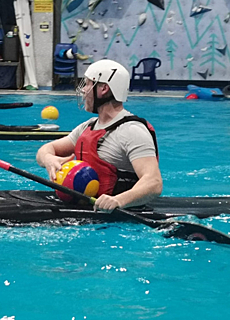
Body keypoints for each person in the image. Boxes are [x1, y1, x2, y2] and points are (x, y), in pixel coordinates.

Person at [36, 59, 162, 212]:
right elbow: (46, 149)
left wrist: (118, 200)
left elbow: (154, 183)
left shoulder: (132, 131)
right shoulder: (88, 126)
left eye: (88, 84)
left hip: (118, 219)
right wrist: (48, 159)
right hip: (83, 208)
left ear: (103, 89)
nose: (83, 90)